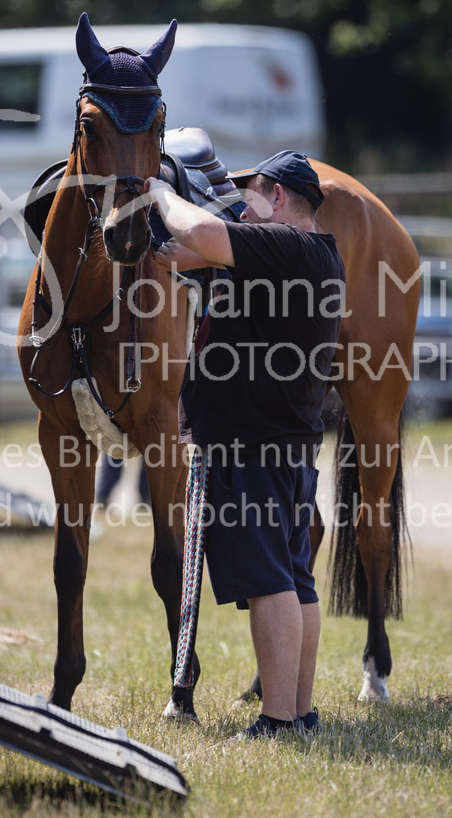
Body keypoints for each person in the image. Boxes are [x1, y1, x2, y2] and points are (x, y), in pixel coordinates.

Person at [145, 151, 345, 739]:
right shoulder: (303, 255)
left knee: (269, 582)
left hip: (253, 444)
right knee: (293, 578)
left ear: (277, 197)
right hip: (280, 443)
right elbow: (201, 252)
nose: (238, 208)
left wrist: (157, 193)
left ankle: (279, 721)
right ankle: (300, 711)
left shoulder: (286, 246)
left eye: (250, 194)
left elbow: (205, 232)